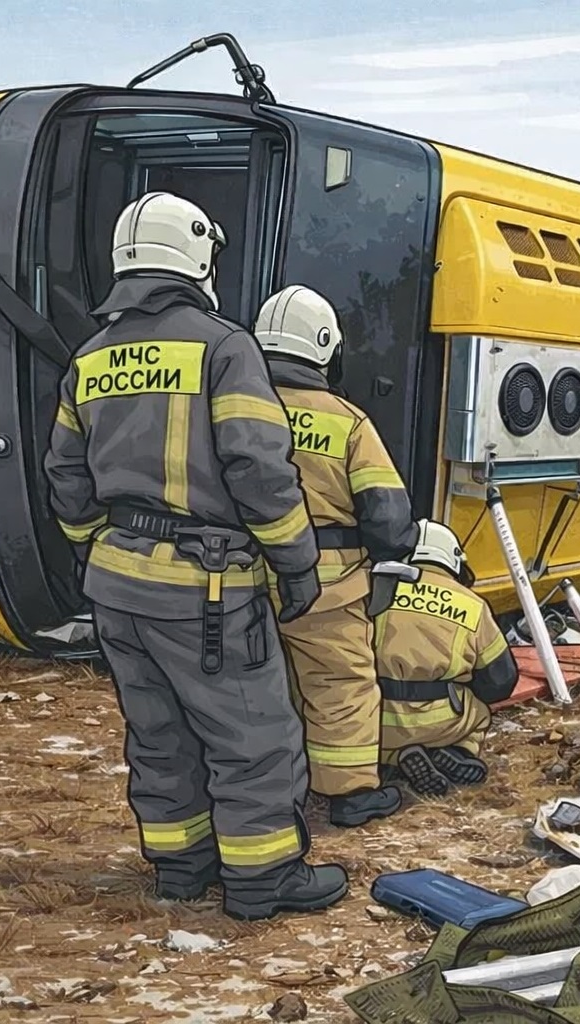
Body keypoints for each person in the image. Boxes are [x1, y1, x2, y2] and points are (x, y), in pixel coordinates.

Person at [43, 192, 347, 922]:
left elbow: (66, 477)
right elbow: (259, 470)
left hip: (116, 584)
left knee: (159, 733)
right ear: (201, 256)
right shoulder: (223, 346)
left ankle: (180, 870)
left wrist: (103, 552)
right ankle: (262, 880)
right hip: (207, 589)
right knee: (254, 736)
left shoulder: (90, 358)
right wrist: (296, 564)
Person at [253, 285, 418, 828]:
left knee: (254, 688)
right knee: (339, 686)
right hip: (329, 587)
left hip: (240, 579)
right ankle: (349, 795)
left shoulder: (233, 410)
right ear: (326, 348)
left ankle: (262, 793)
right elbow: (389, 519)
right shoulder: (347, 423)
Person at [372, 519, 518, 797]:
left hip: (373, 712)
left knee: (369, 730)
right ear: (453, 561)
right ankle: (457, 751)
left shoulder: (376, 590)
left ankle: (393, 761)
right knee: (477, 714)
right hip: (439, 719)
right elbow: (501, 681)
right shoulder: (472, 605)